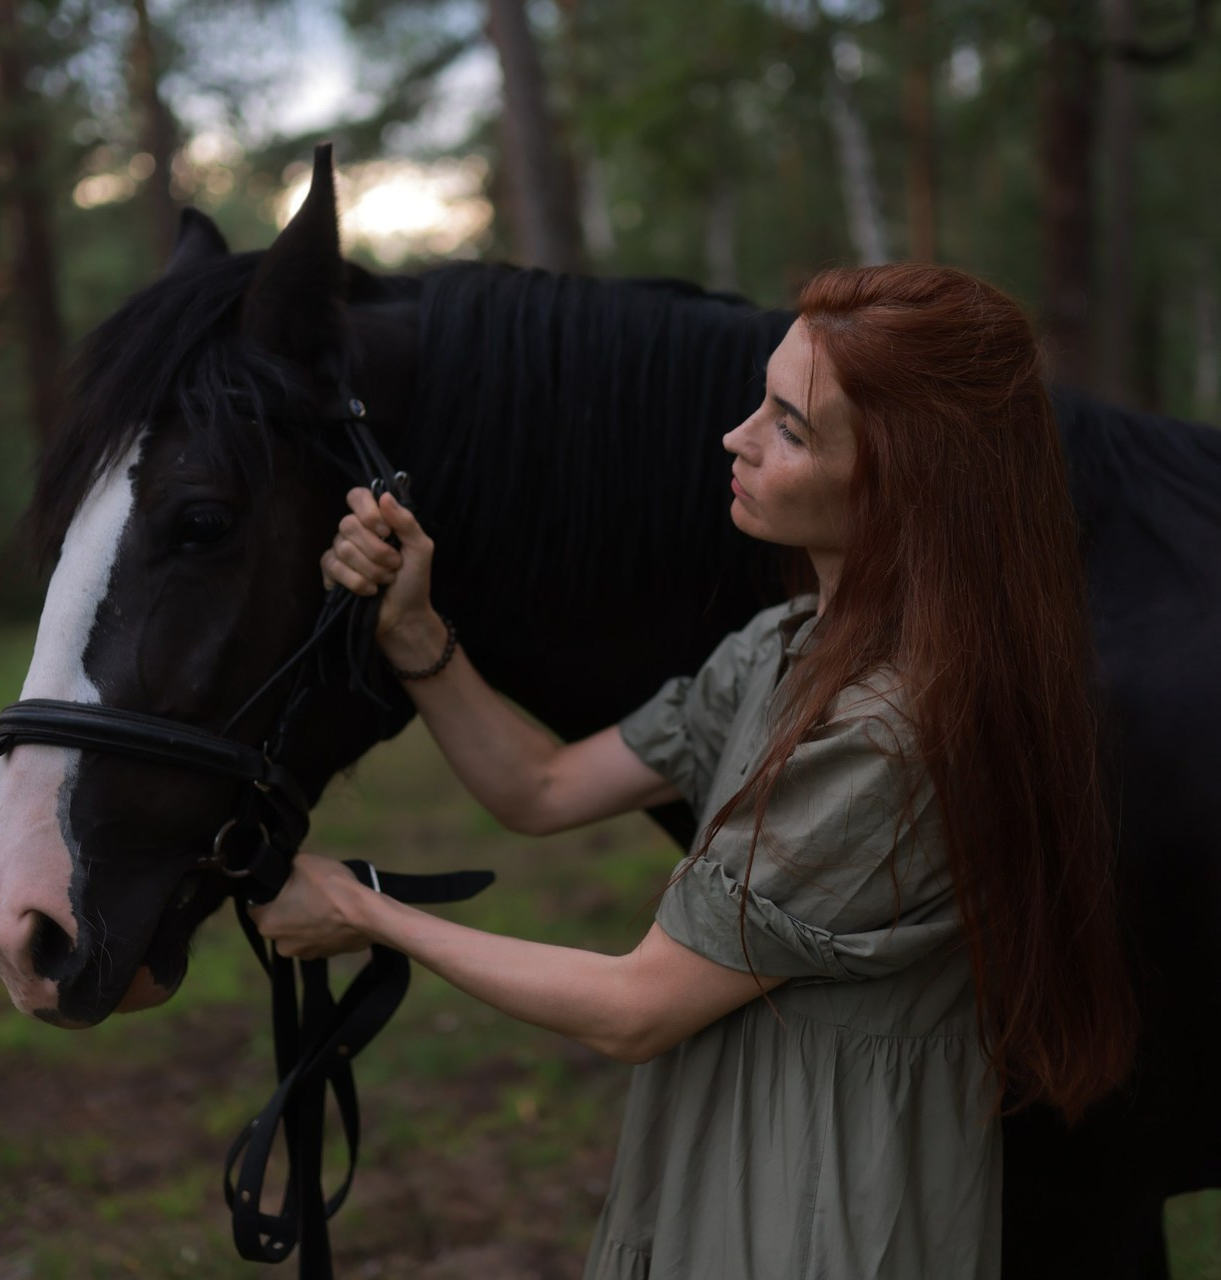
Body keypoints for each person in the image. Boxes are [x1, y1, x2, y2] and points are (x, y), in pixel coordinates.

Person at [251, 263, 1138, 1280]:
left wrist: (366, 914)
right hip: (733, 1156)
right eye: (760, 401)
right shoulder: (784, 645)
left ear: (904, 484)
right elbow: (540, 787)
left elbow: (636, 1007)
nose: (735, 438)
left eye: (789, 429)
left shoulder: (890, 731)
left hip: (826, 1210)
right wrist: (411, 629)